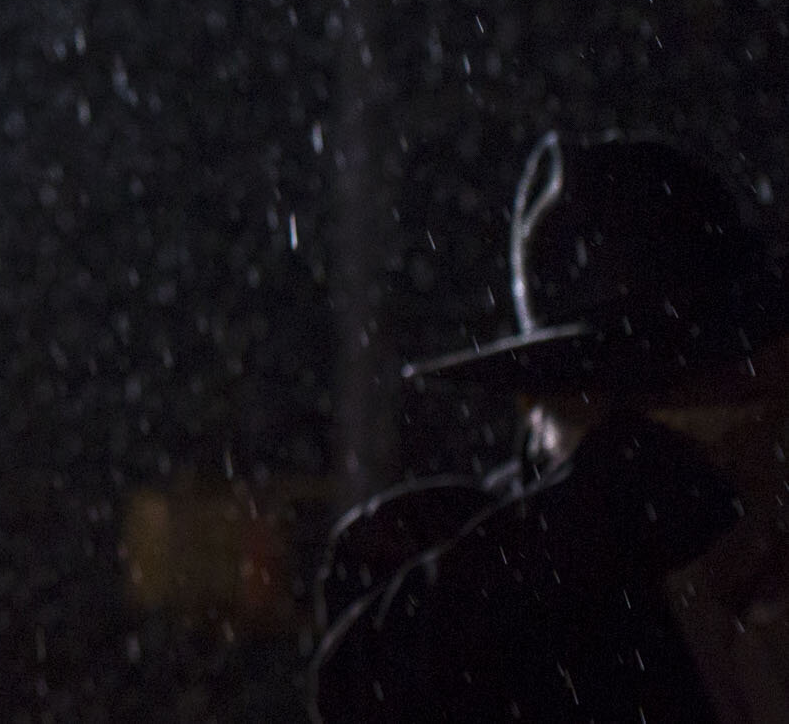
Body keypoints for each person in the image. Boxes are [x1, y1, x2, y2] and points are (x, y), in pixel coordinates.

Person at [311, 132, 789, 723]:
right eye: (638, 391)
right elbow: (366, 687)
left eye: (724, 374)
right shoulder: (458, 558)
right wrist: (625, 502)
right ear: (540, 404)